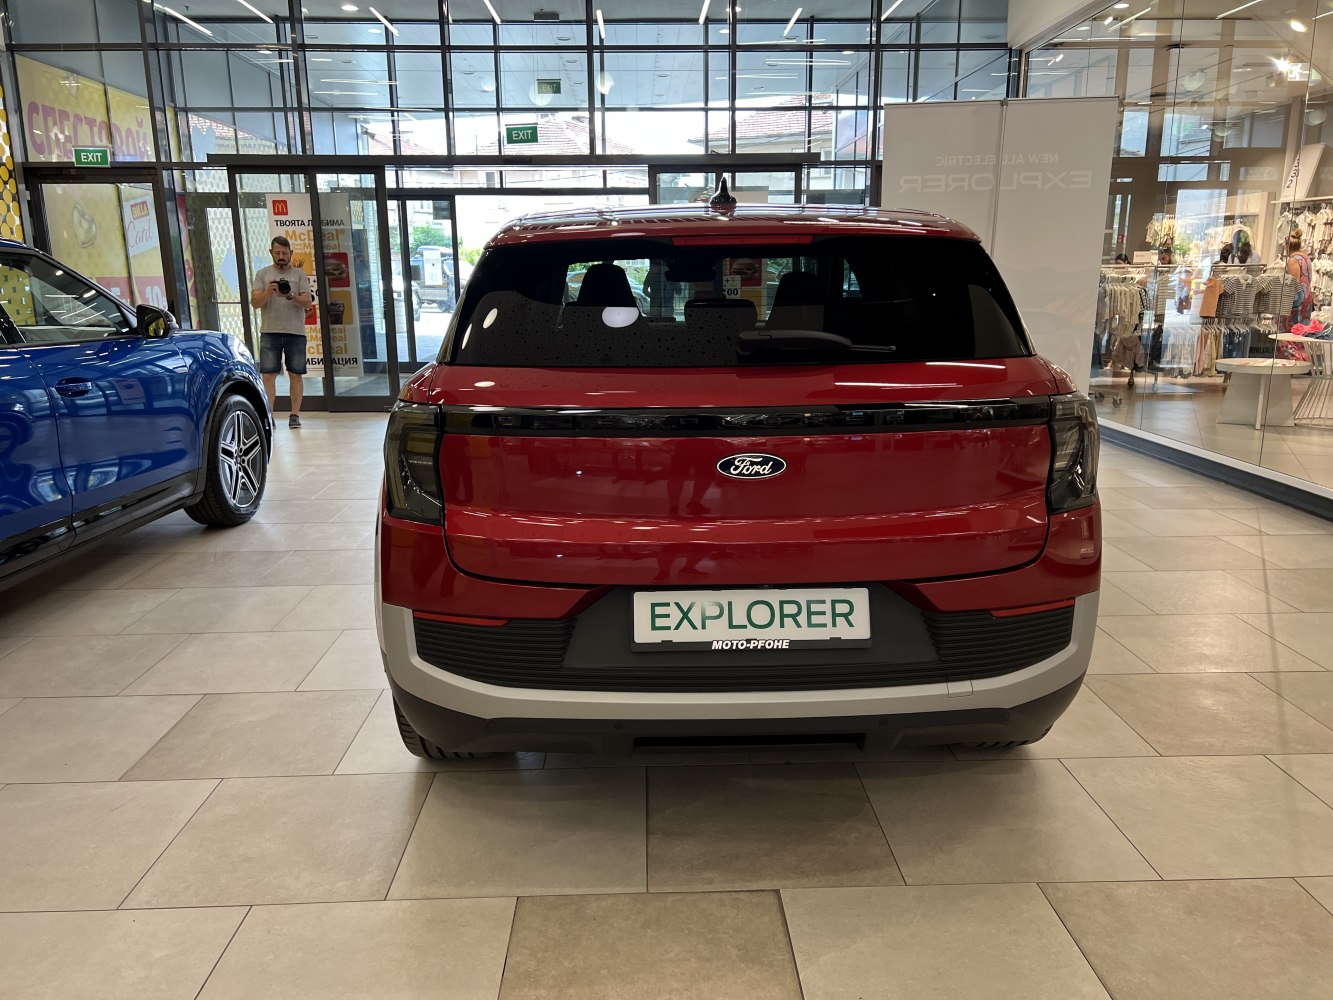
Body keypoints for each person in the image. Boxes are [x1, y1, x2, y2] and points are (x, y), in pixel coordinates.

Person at [250, 235, 314, 427]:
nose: (281, 256)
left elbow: (308, 302)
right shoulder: (262, 275)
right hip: (270, 332)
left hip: (295, 332)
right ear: (271, 253)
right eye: (277, 252)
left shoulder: (300, 275)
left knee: (295, 374)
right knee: (268, 375)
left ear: (290, 254)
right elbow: (255, 303)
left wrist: (290, 295)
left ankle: (295, 415)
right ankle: (269, 417)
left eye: (285, 253)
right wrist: (269, 292)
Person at [1281, 230, 1313, 362]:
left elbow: (1293, 284)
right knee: (1302, 330)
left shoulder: (1293, 260)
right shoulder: (1306, 258)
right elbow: (1309, 279)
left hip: (1297, 301)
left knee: (1289, 331)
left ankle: (1295, 360)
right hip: (1307, 297)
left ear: (1287, 246)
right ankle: (1304, 359)